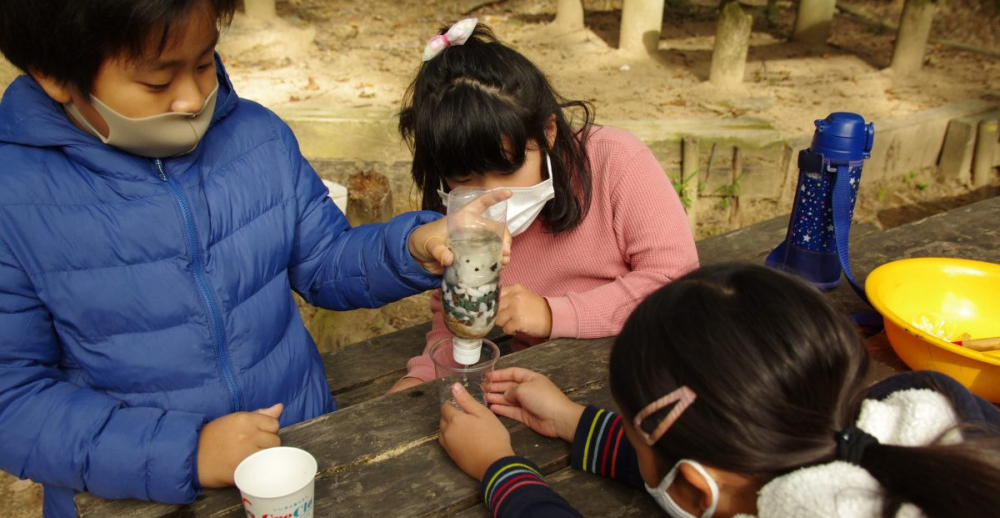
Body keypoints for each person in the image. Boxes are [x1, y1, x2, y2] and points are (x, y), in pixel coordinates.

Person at [0, 2, 509, 516]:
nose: (194, 96)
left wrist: (411, 248)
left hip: (297, 454)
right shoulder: (13, 199)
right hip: (131, 494)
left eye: (204, 63)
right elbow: (13, 401)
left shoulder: (257, 140)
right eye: (157, 83)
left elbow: (325, 260)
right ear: (54, 76)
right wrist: (187, 451)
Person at [438, 263, 1000, 517]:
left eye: (638, 444)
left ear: (692, 493)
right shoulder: (922, 415)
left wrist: (501, 469)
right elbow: (732, 459)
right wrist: (574, 422)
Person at [388, 20, 699, 393]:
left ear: (547, 132)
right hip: (539, 381)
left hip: (644, 369)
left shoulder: (616, 161)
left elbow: (675, 280)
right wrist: (422, 376)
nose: (492, 195)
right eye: (465, 177)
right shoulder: (455, 205)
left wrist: (553, 314)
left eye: (508, 169)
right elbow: (457, 307)